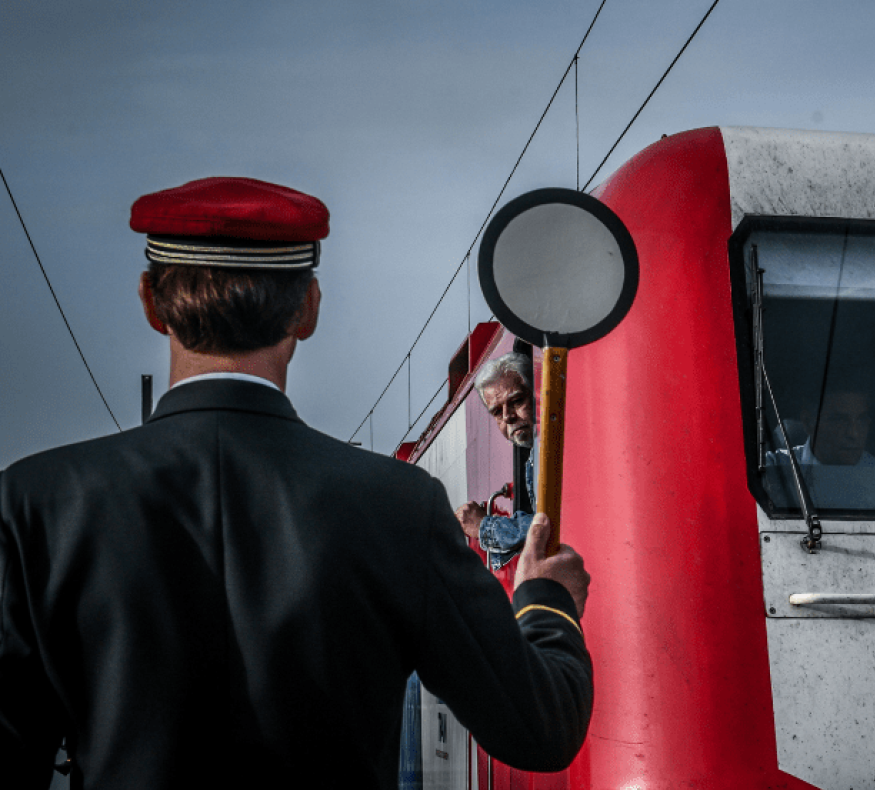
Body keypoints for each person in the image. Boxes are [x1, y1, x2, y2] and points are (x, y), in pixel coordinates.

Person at [0, 177, 592, 789]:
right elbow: (540, 728)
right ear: (308, 308)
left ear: (151, 303)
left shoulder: (34, 504)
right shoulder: (398, 504)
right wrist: (545, 601)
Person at [455, 353, 536, 570]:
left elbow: (556, 526)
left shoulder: (559, 448)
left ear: (538, 394)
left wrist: (484, 526)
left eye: (517, 401)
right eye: (497, 412)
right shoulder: (533, 458)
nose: (508, 416)